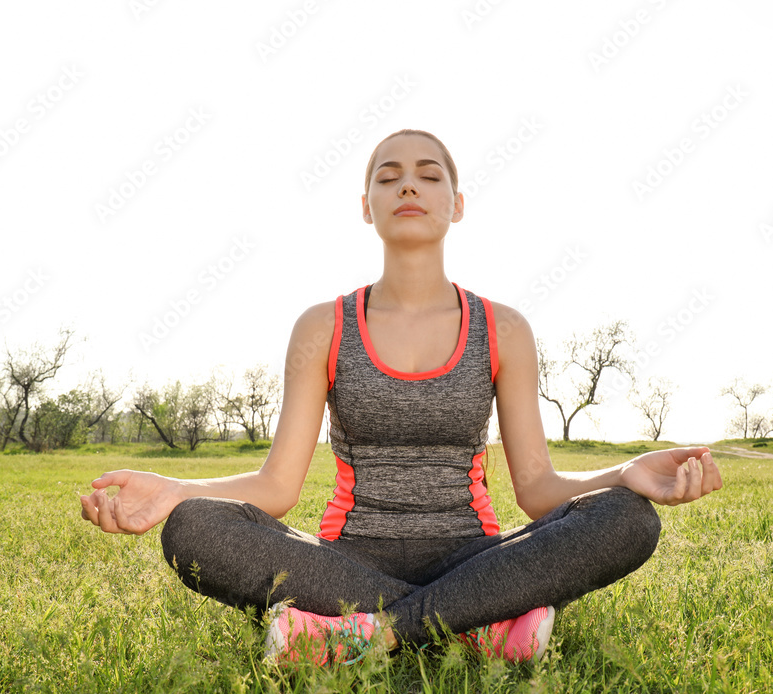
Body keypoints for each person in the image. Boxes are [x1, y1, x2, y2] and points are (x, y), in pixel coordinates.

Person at [79, 128, 723, 666]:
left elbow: (537, 489)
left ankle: (361, 634)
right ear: (367, 205)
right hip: (345, 562)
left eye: (428, 174)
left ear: (457, 202)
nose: (408, 185)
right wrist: (174, 491)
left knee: (626, 517)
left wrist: (626, 474)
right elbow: (277, 487)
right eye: (388, 177)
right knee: (194, 527)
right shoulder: (323, 326)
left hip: (477, 555)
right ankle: (478, 626)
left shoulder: (504, 329)